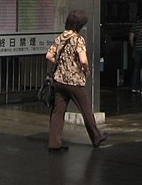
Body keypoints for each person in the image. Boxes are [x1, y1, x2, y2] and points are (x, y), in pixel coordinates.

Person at [46, 9, 107, 151]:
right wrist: (85, 69)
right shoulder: (78, 39)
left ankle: (54, 143)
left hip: (59, 81)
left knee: (57, 113)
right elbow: (83, 59)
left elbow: (49, 55)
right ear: (79, 25)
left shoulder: (61, 37)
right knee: (86, 110)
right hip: (74, 82)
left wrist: (60, 64)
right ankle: (97, 137)